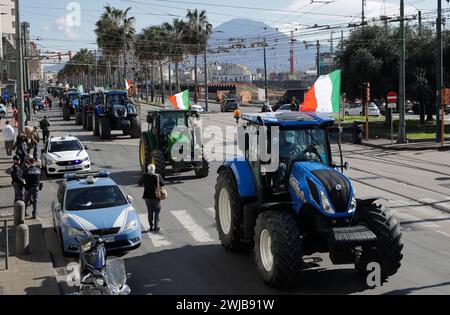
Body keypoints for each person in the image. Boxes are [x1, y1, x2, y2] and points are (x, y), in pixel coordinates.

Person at [138, 164, 165, 232]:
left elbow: (139, 183)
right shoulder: (157, 176)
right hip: (156, 197)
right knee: (157, 212)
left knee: (150, 212)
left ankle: (150, 226)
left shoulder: (145, 176)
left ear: (148, 169)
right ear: (154, 169)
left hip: (147, 197)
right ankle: (156, 226)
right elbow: (163, 184)